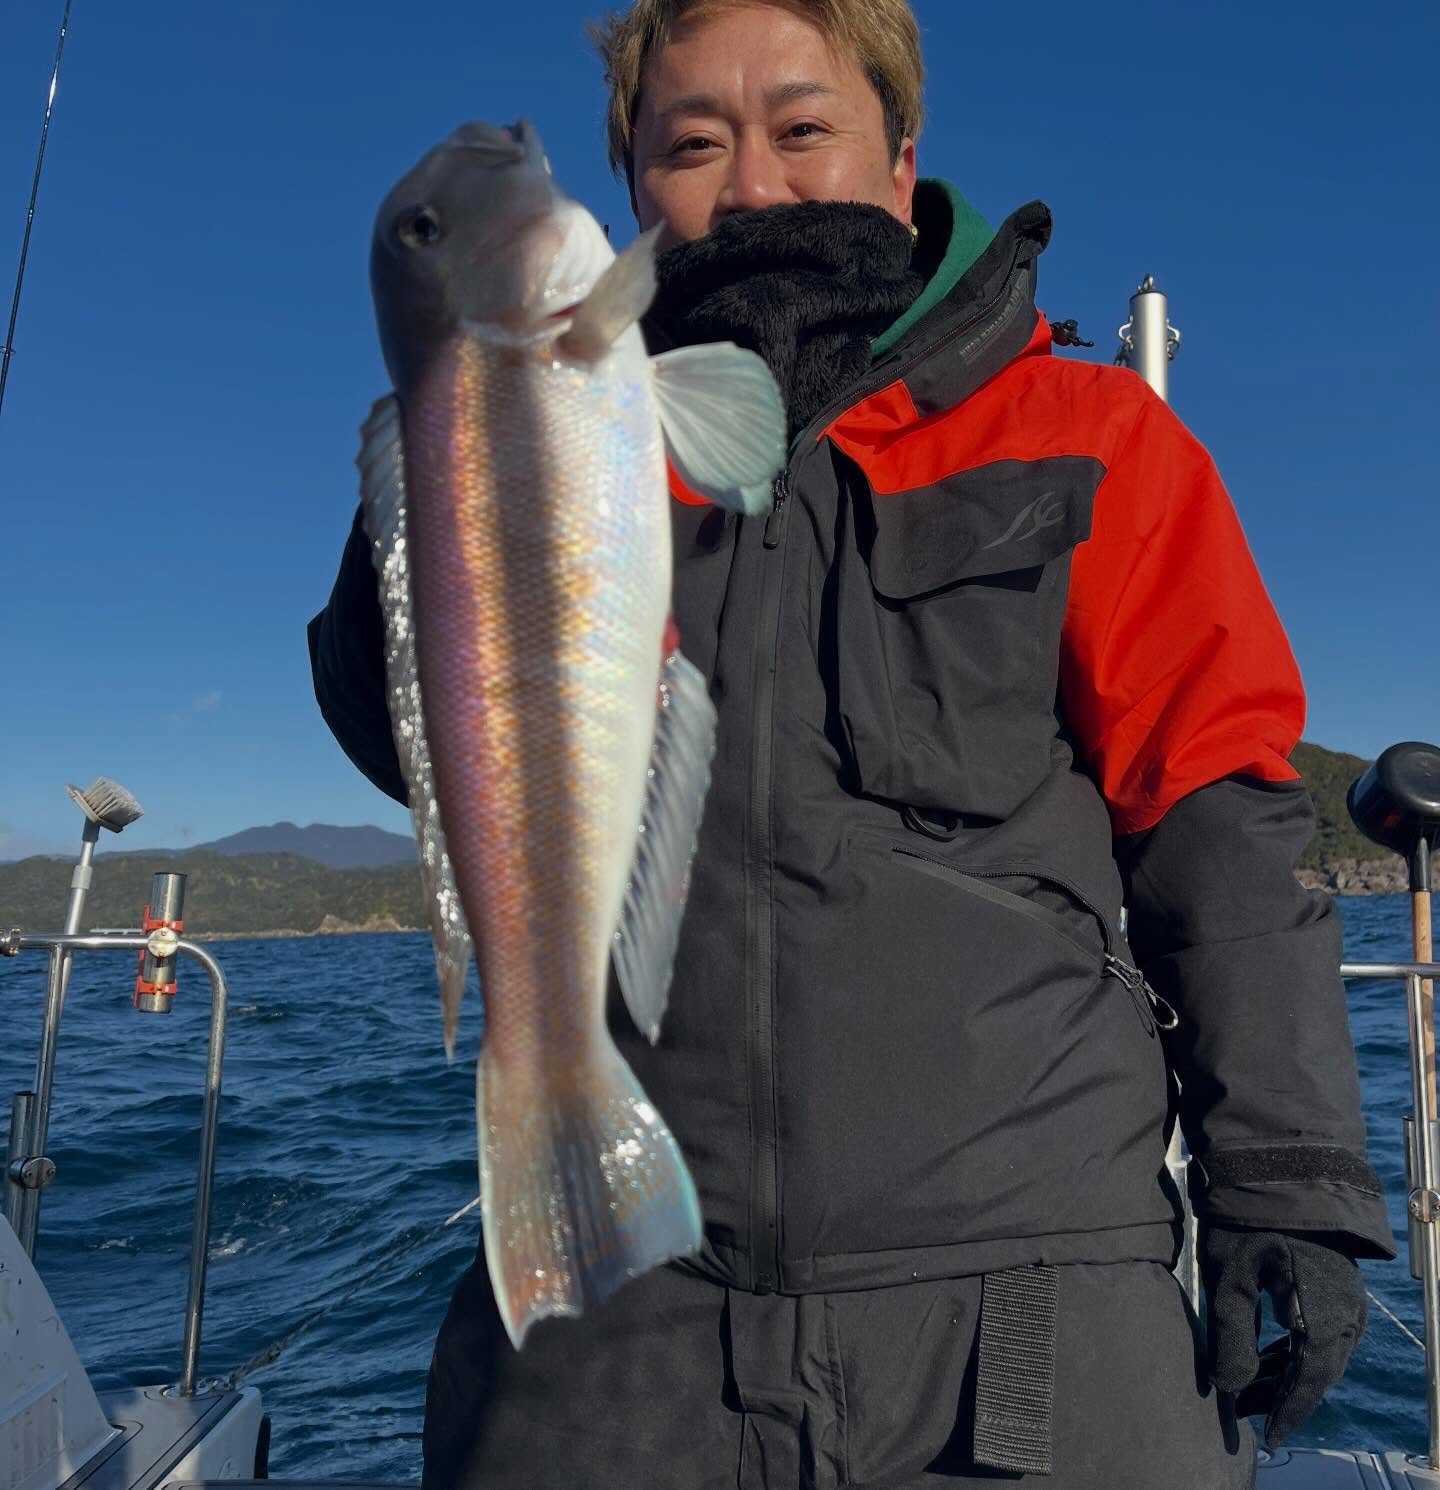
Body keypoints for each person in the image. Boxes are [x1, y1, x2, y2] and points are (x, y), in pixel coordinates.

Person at [309, 2, 1395, 1485]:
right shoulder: (590, 441)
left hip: (1024, 1302)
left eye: (802, 127)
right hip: (629, 1302)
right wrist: (448, 470)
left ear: (900, 157)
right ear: (632, 191)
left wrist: (1284, 1172)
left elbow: (1218, 814)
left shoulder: (1089, 435)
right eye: (692, 145)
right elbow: (410, 738)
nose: (753, 185)